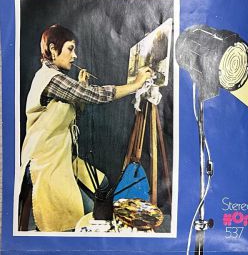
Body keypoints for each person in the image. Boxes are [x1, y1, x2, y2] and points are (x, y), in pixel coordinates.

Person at [17, 24, 153, 232]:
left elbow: (72, 112)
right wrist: (136, 85)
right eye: (70, 48)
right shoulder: (50, 79)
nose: (75, 56)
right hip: (44, 161)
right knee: (79, 217)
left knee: (103, 183)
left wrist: (80, 87)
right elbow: (95, 95)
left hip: (61, 156)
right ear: (53, 49)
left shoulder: (55, 78)